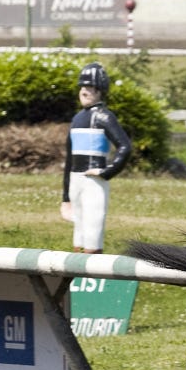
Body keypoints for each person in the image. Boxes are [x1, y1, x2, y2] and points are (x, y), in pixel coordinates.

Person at [60, 62, 131, 254]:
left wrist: (107, 171)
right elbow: (69, 161)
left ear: (100, 91)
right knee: (79, 231)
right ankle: (77, 267)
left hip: (93, 181)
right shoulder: (76, 119)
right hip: (76, 180)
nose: (84, 91)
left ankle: (93, 264)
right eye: (82, 87)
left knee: (93, 228)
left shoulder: (104, 117)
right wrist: (66, 197)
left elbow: (125, 147)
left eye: (90, 87)